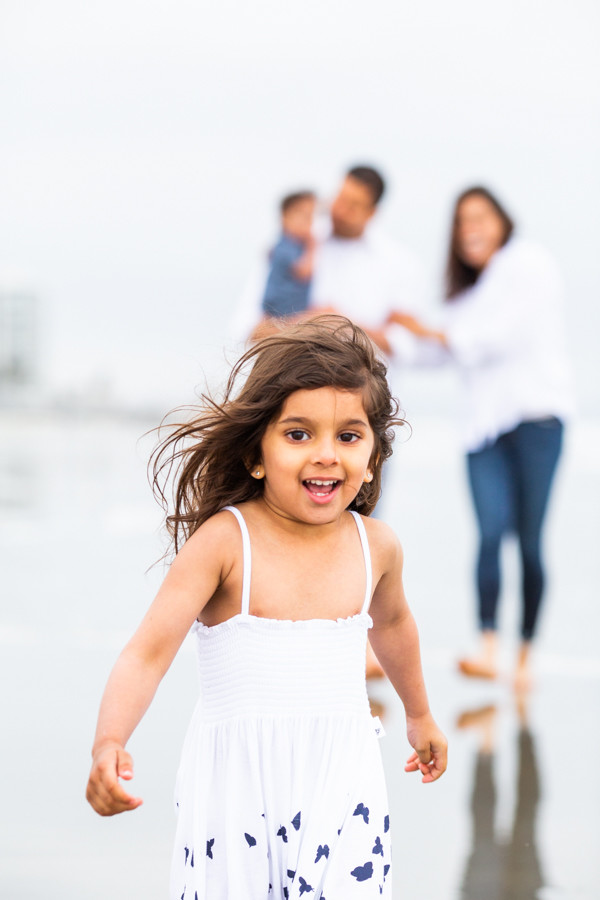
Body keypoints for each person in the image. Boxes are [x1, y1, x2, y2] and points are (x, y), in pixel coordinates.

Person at [86, 316, 447, 899]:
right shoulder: (228, 544)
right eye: (298, 434)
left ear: (375, 456)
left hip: (342, 785)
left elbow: (395, 624)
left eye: (349, 436)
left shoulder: (375, 545)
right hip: (238, 797)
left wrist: (420, 714)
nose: (326, 455)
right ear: (257, 453)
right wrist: (109, 742)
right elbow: (147, 655)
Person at [387, 186, 574, 691]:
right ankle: (489, 647)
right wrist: (391, 338)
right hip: (482, 432)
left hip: (537, 423)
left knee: (530, 543)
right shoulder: (467, 295)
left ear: (502, 220)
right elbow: (439, 353)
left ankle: (526, 654)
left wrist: (425, 331)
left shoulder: (527, 263)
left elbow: (499, 337)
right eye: (461, 220)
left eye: (480, 217)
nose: (470, 228)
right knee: (491, 533)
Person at [233, 165, 427, 355]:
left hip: (368, 385)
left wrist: (346, 326)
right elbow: (246, 328)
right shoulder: (293, 244)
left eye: (353, 206)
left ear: (372, 213)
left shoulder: (398, 263)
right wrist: (311, 323)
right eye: (340, 198)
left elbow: (407, 345)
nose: (341, 211)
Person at [261, 190, 317, 320]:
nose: (308, 223)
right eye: (303, 216)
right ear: (285, 219)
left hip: (287, 308)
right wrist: (312, 247)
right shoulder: (286, 246)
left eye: (310, 217)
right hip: (283, 308)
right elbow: (304, 272)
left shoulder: (291, 245)